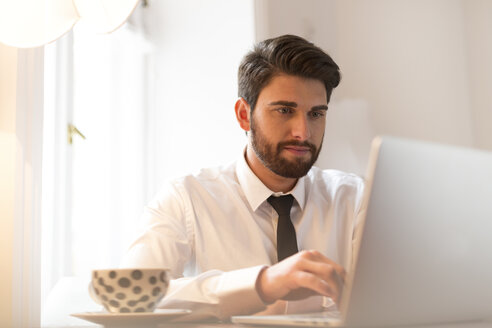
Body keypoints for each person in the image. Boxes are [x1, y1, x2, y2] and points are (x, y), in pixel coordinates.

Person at [121, 34, 365, 321]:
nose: (303, 132)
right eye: (284, 111)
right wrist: (262, 284)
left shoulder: (356, 197)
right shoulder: (185, 198)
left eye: (315, 114)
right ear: (243, 115)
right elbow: (132, 297)